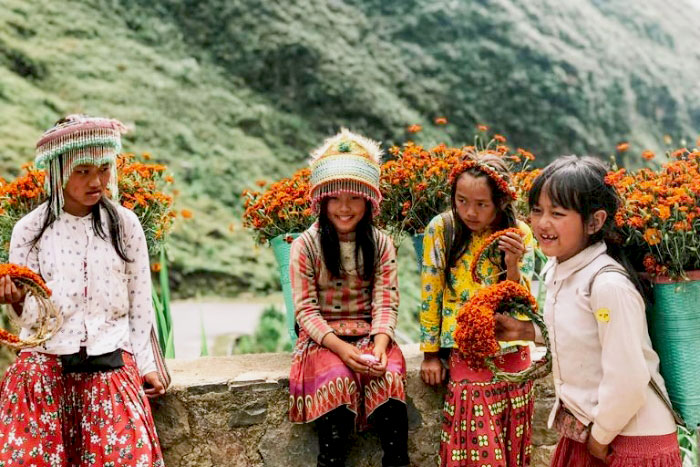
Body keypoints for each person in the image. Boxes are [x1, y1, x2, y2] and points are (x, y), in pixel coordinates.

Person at [494, 156, 681, 466]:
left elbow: (629, 376)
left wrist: (600, 437)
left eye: (557, 213)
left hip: (628, 440)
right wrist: (527, 331)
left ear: (594, 222)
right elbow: (584, 333)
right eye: (537, 210)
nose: (542, 223)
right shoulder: (562, 269)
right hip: (593, 433)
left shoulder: (608, 284)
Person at [0, 115, 165, 466]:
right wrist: (15, 300)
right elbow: (32, 319)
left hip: (109, 366)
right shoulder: (28, 231)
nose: (97, 181)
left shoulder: (124, 225)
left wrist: (147, 364)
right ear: (58, 171)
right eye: (83, 171)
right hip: (45, 373)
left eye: (104, 168)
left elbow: (139, 302)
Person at [288, 129, 409, 467]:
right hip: (323, 341)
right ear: (322, 200)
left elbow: (386, 301)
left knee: (390, 380)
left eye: (354, 198)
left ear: (368, 201)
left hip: (372, 336)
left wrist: (381, 349)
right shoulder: (305, 246)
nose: (344, 207)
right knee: (337, 383)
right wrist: (343, 350)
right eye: (335, 198)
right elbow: (306, 311)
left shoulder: (381, 244)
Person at [419, 150, 537, 466]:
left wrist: (513, 264)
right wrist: (431, 354)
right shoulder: (442, 230)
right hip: (465, 351)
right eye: (461, 201)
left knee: (512, 450)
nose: (469, 212)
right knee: (474, 450)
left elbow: (525, 307)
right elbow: (431, 292)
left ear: (500, 202)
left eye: (481, 204)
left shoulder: (520, 235)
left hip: (512, 356)